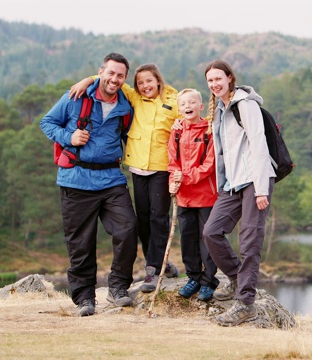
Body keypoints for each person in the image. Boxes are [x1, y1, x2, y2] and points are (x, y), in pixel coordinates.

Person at [40, 52, 137, 316]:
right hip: (76, 179)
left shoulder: (127, 104)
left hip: (111, 179)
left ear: (125, 79)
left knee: (127, 228)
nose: (114, 79)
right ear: (101, 72)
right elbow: (46, 122)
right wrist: (69, 137)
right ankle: (85, 299)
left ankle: (118, 288)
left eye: (120, 75)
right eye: (111, 73)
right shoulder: (75, 97)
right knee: (80, 242)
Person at [70, 63, 180, 293]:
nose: (144, 86)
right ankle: (159, 261)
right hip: (138, 168)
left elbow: (190, 117)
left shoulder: (174, 101)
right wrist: (87, 80)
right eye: (140, 82)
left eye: (149, 81)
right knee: (141, 219)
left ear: (158, 80)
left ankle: (153, 269)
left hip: (162, 168)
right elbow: (111, 80)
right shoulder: (134, 98)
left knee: (158, 217)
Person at [201, 60, 276, 326]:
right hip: (231, 184)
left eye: (218, 79)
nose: (214, 84)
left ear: (230, 77)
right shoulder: (219, 110)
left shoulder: (245, 104)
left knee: (249, 240)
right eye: (210, 81)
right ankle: (235, 278)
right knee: (211, 232)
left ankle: (245, 303)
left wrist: (261, 188)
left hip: (255, 180)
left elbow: (258, 144)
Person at [168, 89, 220, 301]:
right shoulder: (177, 132)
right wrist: (173, 182)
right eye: (183, 104)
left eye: (192, 102)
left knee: (206, 239)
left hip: (206, 195)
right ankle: (193, 277)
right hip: (184, 196)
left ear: (201, 107)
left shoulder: (209, 131)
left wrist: (185, 178)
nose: (188, 106)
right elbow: (172, 163)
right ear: (179, 110)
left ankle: (209, 281)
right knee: (188, 238)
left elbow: (209, 165)